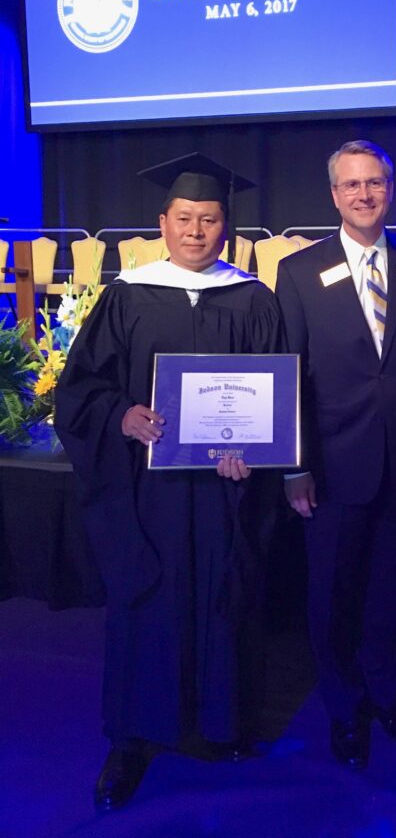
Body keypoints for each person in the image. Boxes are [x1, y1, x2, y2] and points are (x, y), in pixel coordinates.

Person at [54, 154, 284, 811]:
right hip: (146, 493)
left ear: (225, 226)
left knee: (221, 596)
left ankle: (222, 724)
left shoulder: (252, 299)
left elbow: (272, 398)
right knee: (147, 603)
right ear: (163, 222)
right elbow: (80, 393)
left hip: (221, 488)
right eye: (184, 219)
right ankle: (131, 739)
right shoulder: (128, 294)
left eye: (209, 219)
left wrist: (255, 454)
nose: (195, 231)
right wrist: (120, 415)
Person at [275, 139, 396, 769]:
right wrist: (294, 464)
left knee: (392, 590)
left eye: (375, 182)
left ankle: (385, 696)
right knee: (331, 595)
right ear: (334, 195)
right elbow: (290, 370)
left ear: (391, 187)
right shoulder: (297, 271)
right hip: (328, 465)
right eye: (352, 185)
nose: (365, 194)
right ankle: (344, 710)